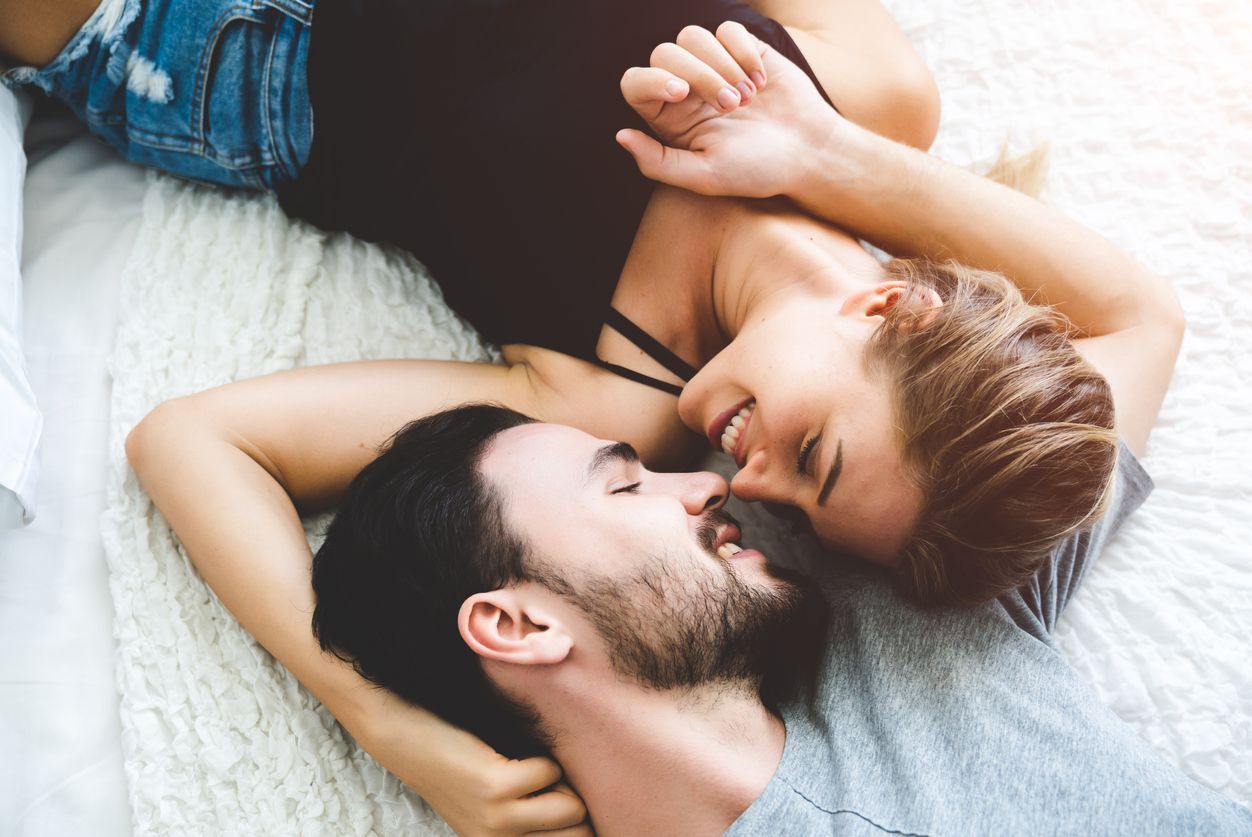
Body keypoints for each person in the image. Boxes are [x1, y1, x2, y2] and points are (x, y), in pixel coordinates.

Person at [1, 0, 1184, 605]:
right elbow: (1146, 318)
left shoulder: (602, 394)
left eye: (797, 513)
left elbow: (192, 443)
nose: (749, 483)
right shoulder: (869, 100)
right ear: (890, 314)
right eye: (810, 454)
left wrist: (391, 726)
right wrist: (822, 150)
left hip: (224, 45)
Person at [306, 403, 1252, 834]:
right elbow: (179, 439)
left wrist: (832, 155)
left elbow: (1125, 333)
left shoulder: (898, 596)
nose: (707, 484)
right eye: (628, 482)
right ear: (514, 626)